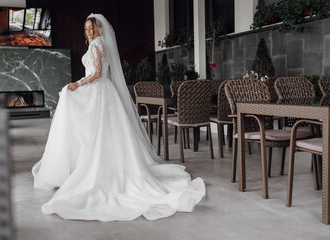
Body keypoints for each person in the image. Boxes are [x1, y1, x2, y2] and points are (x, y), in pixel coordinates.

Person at [32, 13, 205, 222]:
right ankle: (91, 166)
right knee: (104, 132)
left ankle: (89, 170)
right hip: (104, 91)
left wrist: (78, 84)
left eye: (92, 28)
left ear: (100, 29)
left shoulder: (96, 45)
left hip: (98, 90)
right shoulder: (99, 44)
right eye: (86, 28)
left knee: (91, 126)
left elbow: (96, 73)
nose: (88, 31)